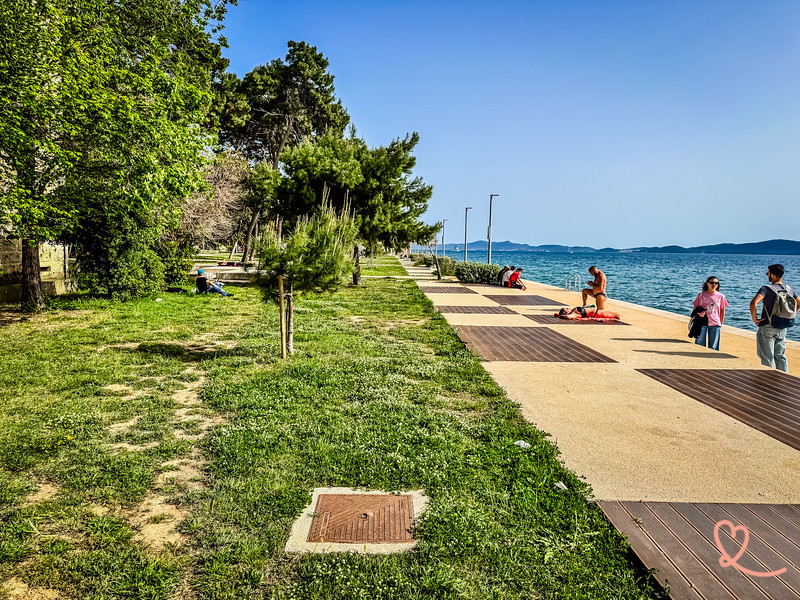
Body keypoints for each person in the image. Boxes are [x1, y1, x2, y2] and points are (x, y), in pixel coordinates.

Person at [750, 264, 798, 372]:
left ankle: (768, 382)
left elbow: (753, 303)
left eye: (768, 273)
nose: (767, 275)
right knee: (781, 356)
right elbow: (799, 303)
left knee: (767, 357)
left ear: (772, 274)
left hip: (767, 326)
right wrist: (792, 314)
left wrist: (755, 319)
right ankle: (784, 379)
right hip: (783, 327)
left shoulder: (766, 289)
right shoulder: (789, 289)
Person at [692, 276, 728, 351]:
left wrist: (721, 323)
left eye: (716, 283)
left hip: (715, 323)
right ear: (707, 283)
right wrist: (699, 313)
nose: (714, 284)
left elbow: (722, 310)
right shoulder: (701, 295)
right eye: (712, 282)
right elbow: (695, 307)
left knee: (713, 348)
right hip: (701, 322)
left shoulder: (721, 296)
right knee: (699, 346)